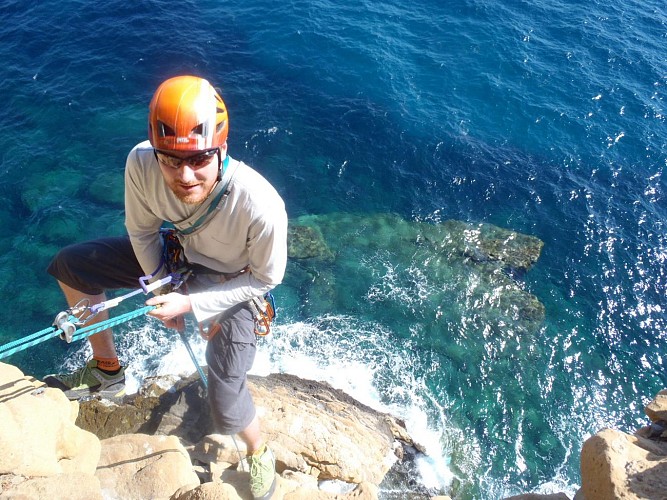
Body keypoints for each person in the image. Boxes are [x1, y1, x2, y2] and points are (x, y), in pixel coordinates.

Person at [44, 75, 287, 500]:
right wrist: (160, 290)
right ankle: (107, 371)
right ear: (156, 153)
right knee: (72, 266)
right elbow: (142, 232)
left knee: (226, 396)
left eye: (198, 160)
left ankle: (258, 449)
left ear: (222, 151)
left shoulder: (260, 206)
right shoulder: (140, 163)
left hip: (236, 281)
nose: (185, 175)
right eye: (171, 160)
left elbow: (266, 278)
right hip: (178, 258)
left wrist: (192, 305)